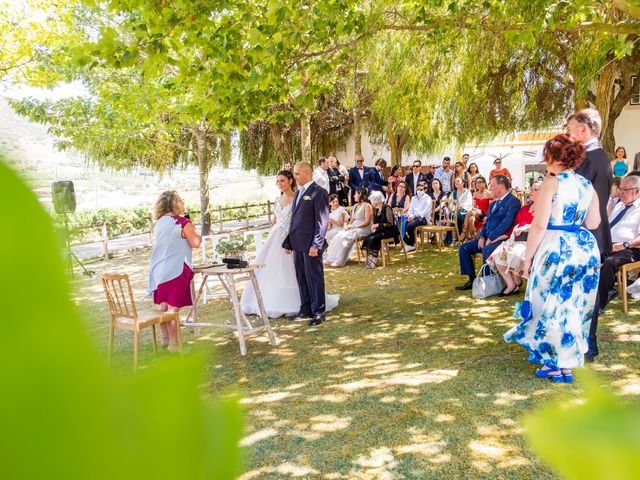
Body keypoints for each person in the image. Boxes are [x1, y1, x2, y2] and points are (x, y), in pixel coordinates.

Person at [504, 134, 601, 383]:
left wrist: (527, 259)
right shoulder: (586, 185)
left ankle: (555, 362)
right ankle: (565, 363)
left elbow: (538, 225)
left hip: (556, 247)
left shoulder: (552, 182)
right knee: (572, 305)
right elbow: (594, 222)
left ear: (554, 158)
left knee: (549, 303)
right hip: (582, 249)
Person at [242, 170, 339, 318]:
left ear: (290, 181)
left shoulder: (300, 196)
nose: (279, 184)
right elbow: (276, 219)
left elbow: (312, 220)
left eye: (282, 180)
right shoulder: (279, 199)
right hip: (279, 237)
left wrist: (314, 242)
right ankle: (300, 306)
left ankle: (315, 309)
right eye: (277, 181)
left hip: (297, 237)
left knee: (303, 273)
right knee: (282, 271)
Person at [586, 174, 640, 362]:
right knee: (590, 259)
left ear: (637, 191)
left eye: (625, 190)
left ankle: (599, 303)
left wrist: (624, 244)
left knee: (609, 263)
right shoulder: (618, 204)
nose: (620, 193)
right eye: (620, 189)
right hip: (611, 245)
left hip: (631, 249)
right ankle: (596, 295)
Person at [147, 191, 201, 352]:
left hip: (159, 270)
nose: (183, 202)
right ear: (175, 204)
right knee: (173, 309)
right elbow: (196, 243)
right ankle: (173, 344)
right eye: (181, 200)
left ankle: (165, 339)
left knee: (164, 305)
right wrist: (194, 229)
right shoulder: (183, 222)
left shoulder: (160, 222)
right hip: (176, 269)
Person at [283, 162, 331, 326]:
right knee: (302, 277)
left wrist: (316, 245)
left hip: (311, 245)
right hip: (298, 244)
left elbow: (321, 221)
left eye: (296, 174)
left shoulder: (319, 192)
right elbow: (294, 221)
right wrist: (289, 242)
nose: (294, 177)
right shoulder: (298, 194)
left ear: (307, 173)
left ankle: (318, 312)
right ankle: (305, 309)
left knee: (314, 278)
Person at [455, 175, 521, 290]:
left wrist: (491, 237)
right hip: (487, 238)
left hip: (502, 239)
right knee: (464, 248)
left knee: (487, 249)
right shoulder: (493, 204)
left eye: (492, 185)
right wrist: (482, 237)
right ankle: (472, 279)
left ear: (500, 186)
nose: (490, 188)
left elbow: (507, 223)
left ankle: (488, 283)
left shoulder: (513, 202)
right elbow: (486, 223)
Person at [567, 108, 612, 257]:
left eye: (570, 130)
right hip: (598, 233)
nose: (568, 136)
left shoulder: (587, 159)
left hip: (586, 236)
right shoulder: (601, 155)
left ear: (583, 129)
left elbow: (574, 198)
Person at [486, 181, 541, 295]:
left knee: (515, 255)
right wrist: (500, 237)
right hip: (514, 238)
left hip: (530, 241)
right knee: (498, 254)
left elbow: (542, 226)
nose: (531, 191)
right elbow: (515, 224)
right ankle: (511, 284)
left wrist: (527, 227)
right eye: (531, 188)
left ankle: (517, 278)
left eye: (535, 189)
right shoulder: (525, 208)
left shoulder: (544, 209)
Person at [324, 188, 373, 267]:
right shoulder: (355, 205)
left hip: (363, 229)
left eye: (355, 194)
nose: (354, 196)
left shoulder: (367, 206)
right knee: (338, 236)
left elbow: (367, 222)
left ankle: (340, 260)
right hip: (353, 228)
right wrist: (348, 226)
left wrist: (355, 226)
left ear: (360, 194)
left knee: (346, 237)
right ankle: (332, 258)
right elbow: (352, 219)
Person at [361, 191, 397, 268]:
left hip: (389, 231)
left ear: (376, 201)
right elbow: (375, 223)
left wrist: (378, 225)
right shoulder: (376, 210)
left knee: (374, 238)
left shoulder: (387, 208)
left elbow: (390, 223)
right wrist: (373, 227)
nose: (371, 203)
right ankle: (373, 258)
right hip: (380, 230)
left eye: (372, 201)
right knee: (368, 238)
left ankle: (373, 259)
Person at [460, 176, 492, 241]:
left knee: (470, 212)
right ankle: (473, 238)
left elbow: (491, 208)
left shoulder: (489, 193)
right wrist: (475, 209)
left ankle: (464, 232)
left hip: (486, 215)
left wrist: (484, 214)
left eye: (480, 182)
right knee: (471, 219)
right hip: (477, 214)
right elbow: (474, 206)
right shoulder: (475, 193)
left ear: (484, 183)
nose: (478, 184)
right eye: (476, 183)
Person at [402, 184, 432, 252]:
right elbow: (410, 209)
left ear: (424, 190)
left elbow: (425, 212)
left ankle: (411, 244)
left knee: (409, 226)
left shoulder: (428, 198)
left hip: (423, 218)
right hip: (413, 218)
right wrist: (410, 216)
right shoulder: (413, 198)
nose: (419, 191)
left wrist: (414, 216)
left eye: (421, 189)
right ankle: (411, 243)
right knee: (403, 225)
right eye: (417, 189)